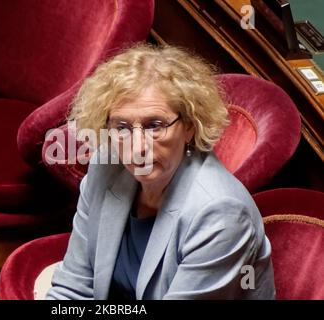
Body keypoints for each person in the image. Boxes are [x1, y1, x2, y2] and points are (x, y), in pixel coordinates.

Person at [45, 43, 275, 300]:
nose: (138, 147)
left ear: (189, 126)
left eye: (155, 125)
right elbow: (73, 288)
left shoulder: (220, 213)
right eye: (122, 127)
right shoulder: (106, 167)